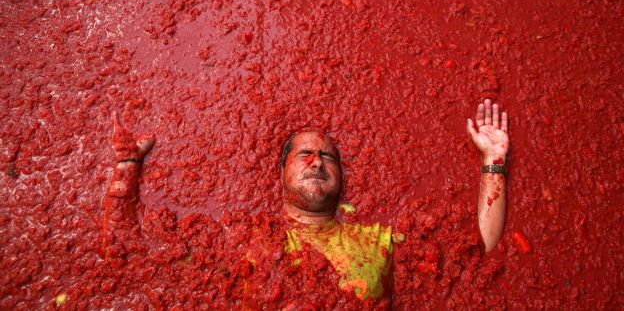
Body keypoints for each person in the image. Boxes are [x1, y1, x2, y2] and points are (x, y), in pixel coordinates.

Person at [100, 99, 509, 301]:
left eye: (328, 156)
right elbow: (129, 250)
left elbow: (481, 242)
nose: (317, 161)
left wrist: (494, 162)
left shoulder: (379, 242)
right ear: (282, 174)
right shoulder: (239, 242)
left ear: (342, 179)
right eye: (305, 154)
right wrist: (125, 167)